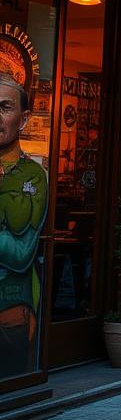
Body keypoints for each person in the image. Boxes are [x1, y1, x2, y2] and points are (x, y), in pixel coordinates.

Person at [0, 75, 48, 380]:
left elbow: (20, 252)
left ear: (23, 119)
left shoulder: (32, 175)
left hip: (9, 309)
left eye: (4, 108)